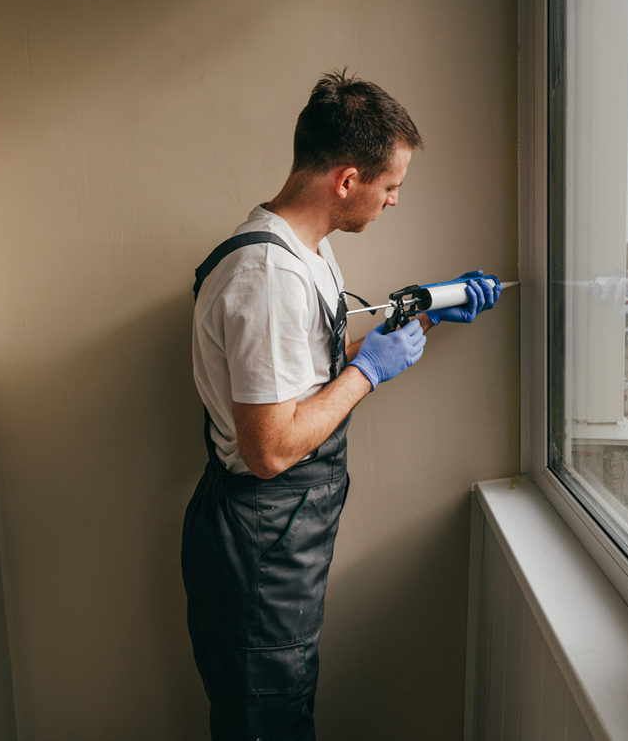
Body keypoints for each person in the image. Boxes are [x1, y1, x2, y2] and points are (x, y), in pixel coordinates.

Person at [181, 70, 500, 741]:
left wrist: (423, 314)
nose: (393, 203)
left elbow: (302, 371)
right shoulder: (266, 277)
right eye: (391, 188)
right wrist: (369, 372)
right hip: (260, 539)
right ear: (347, 180)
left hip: (281, 536)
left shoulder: (307, 255)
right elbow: (269, 448)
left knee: (284, 704)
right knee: (266, 720)